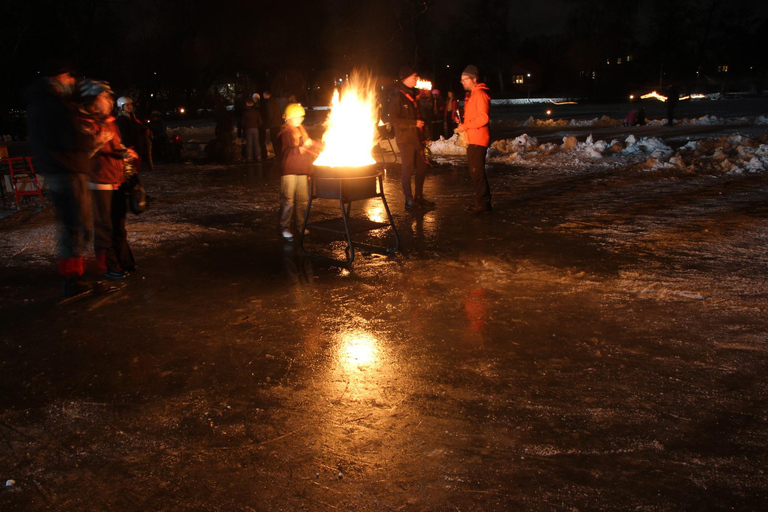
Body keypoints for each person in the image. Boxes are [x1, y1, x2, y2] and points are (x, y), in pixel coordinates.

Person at [26, 59, 93, 299]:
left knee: (73, 224)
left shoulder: (41, 103)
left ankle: (72, 275)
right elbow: (70, 138)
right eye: (69, 77)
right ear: (59, 77)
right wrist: (88, 135)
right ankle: (72, 279)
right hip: (67, 169)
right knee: (75, 225)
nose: (73, 82)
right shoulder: (54, 105)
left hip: (60, 169)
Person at [78, 80, 138, 280]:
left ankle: (123, 260)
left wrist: (124, 152)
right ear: (94, 100)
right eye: (105, 97)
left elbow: (115, 146)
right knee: (104, 227)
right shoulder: (84, 122)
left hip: (116, 180)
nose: (109, 101)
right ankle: (107, 266)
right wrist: (97, 141)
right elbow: (81, 153)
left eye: (110, 97)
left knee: (118, 224)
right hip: (99, 182)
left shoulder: (110, 121)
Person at [388, 66, 434, 210]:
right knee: (407, 170)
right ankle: (409, 199)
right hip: (405, 139)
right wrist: (413, 124)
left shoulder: (414, 96)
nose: (417, 79)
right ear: (405, 78)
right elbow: (394, 120)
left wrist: (425, 135)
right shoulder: (397, 97)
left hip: (417, 139)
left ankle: (419, 196)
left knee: (422, 168)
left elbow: (421, 117)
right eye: (414, 76)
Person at [278, 103, 318, 241]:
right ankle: (284, 227)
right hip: (289, 169)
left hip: (302, 170)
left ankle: (300, 226)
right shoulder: (286, 131)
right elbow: (292, 146)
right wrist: (302, 146)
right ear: (288, 118)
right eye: (296, 117)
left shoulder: (302, 130)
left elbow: (308, 151)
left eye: (301, 117)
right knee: (288, 200)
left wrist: (309, 171)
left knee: (303, 200)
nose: (299, 119)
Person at [457, 65, 492, 214]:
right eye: (462, 80)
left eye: (465, 79)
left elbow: (483, 117)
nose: (463, 82)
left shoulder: (480, 95)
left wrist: (465, 126)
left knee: (477, 173)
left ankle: (483, 204)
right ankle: (482, 202)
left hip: (478, 138)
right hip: (473, 138)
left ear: (474, 79)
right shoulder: (473, 95)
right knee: (475, 172)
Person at [116, 96, 152, 169]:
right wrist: (129, 146)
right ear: (122, 107)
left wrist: (145, 130)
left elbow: (138, 128)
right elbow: (123, 134)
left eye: (130, 104)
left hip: (137, 148)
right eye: (127, 105)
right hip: (130, 148)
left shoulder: (133, 118)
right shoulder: (121, 119)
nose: (130, 106)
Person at [263, 90, 282, 161]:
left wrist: (268, 124)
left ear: (266, 95)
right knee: (278, 140)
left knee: (275, 140)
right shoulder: (275, 102)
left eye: (264, 95)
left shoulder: (269, 103)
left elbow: (270, 115)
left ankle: (278, 155)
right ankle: (279, 154)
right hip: (278, 123)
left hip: (273, 124)